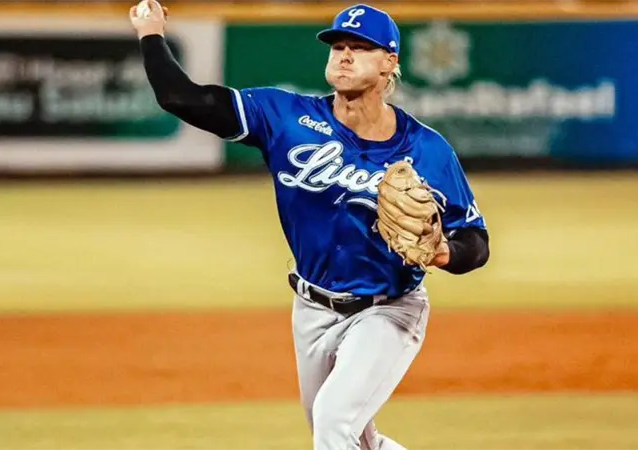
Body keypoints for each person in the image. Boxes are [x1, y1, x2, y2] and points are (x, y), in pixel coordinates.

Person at [130, 2, 490, 449]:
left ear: (390, 62)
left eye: (360, 47)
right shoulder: (284, 117)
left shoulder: (427, 150)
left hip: (389, 309)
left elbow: (476, 240)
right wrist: (151, 32)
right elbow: (181, 98)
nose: (343, 55)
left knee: (334, 421)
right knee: (354, 438)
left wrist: (444, 253)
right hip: (312, 309)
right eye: (338, 45)